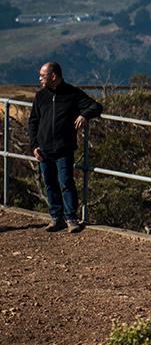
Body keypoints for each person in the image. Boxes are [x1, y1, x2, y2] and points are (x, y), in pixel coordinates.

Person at [27, 62, 101, 233]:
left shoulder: (72, 94)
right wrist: (34, 145)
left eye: (42, 76)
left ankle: (71, 218)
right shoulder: (40, 96)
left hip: (64, 147)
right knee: (50, 183)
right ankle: (56, 218)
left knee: (66, 182)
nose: (39, 79)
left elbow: (96, 106)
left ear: (53, 76)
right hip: (44, 148)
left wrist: (84, 115)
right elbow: (33, 122)